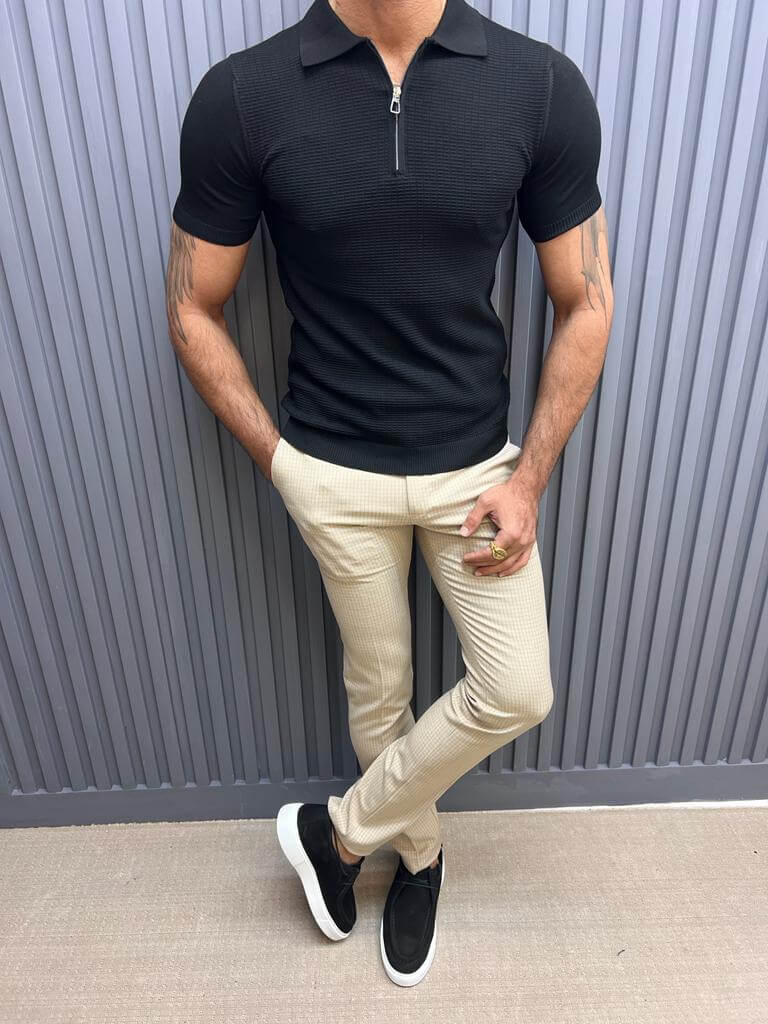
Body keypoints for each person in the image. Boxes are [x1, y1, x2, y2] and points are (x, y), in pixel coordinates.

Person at [166, 0, 613, 988]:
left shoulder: (538, 87)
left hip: (476, 475)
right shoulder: (245, 96)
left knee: (518, 686)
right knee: (380, 696)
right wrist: (282, 463)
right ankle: (418, 858)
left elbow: (587, 300)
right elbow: (192, 306)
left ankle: (336, 833)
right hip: (332, 471)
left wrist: (529, 479)